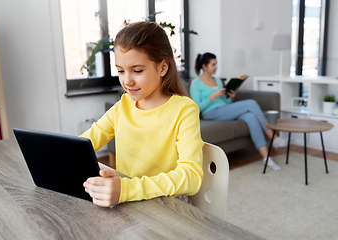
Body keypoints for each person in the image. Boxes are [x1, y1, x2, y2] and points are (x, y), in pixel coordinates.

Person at [81, 21, 204, 207]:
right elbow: (83, 145)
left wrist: (127, 189)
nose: (127, 81)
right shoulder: (122, 107)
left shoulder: (184, 110)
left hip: (168, 203)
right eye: (120, 71)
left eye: (137, 70)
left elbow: (191, 177)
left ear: (163, 68)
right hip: (128, 200)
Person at [190, 52, 286, 171]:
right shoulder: (196, 83)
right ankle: (273, 137)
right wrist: (212, 97)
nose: (216, 67)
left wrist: (231, 97)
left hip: (224, 110)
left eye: (216, 64)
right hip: (211, 113)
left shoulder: (218, 81)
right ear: (204, 67)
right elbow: (196, 108)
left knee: (250, 116)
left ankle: (266, 158)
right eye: (213, 64)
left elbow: (225, 103)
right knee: (251, 103)